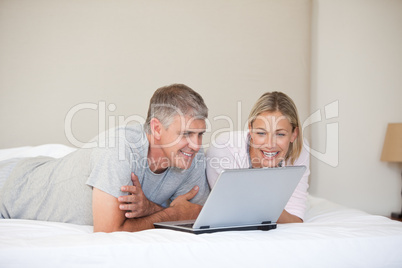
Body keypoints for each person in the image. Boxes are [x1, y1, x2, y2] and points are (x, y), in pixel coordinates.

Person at [0, 84, 210, 232]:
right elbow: (108, 231)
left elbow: (200, 215)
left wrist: (152, 209)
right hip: (10, 189)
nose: (196, 145)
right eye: (186, 134)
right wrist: (171, 215)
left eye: (200, 134)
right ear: (156, 128)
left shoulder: (192, 157)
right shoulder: (118, 149)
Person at [205, 91, 309, 223]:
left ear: (294, 134)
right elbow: (230, 214)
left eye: (280, 134)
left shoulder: (300, 149)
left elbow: (296, 218)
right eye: (261, 133)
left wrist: (260, 205)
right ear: (250, 129)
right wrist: (269, 207)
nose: (270, 144)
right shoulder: (224, 148)